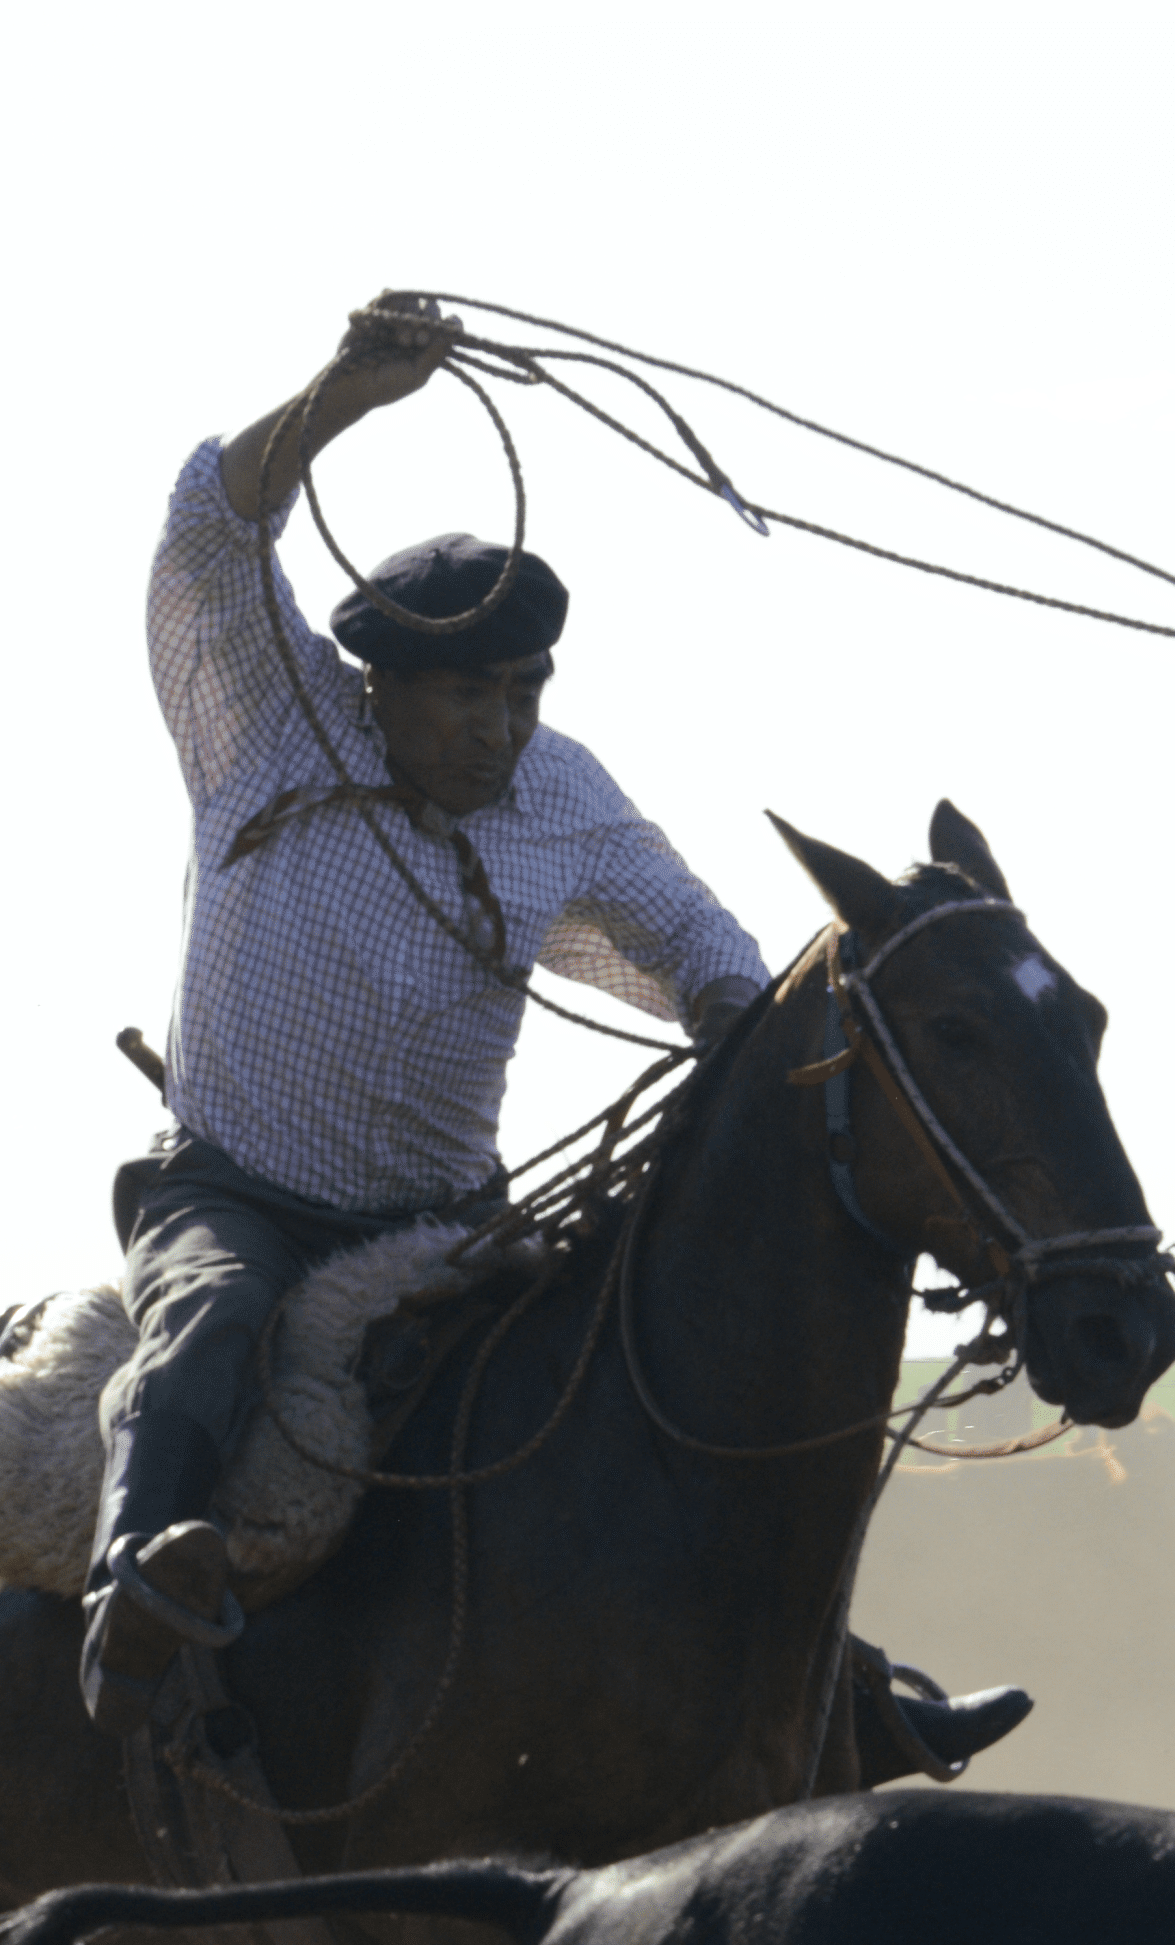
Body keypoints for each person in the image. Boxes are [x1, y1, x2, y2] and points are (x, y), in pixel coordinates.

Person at [85, 295, 1026, 1787]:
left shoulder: (562, 796)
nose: (500, 729)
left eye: (523, 695)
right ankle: (132, 1588)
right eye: (469, 693)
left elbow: (715, 969)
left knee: (649, 1405)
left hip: (450, 1224)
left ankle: (837, 1694)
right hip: (239, 1196)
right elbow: (211, 528)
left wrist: (780, 1069)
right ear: (381, 684)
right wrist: (346, 395)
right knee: (204, 1327)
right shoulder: (265, 717)